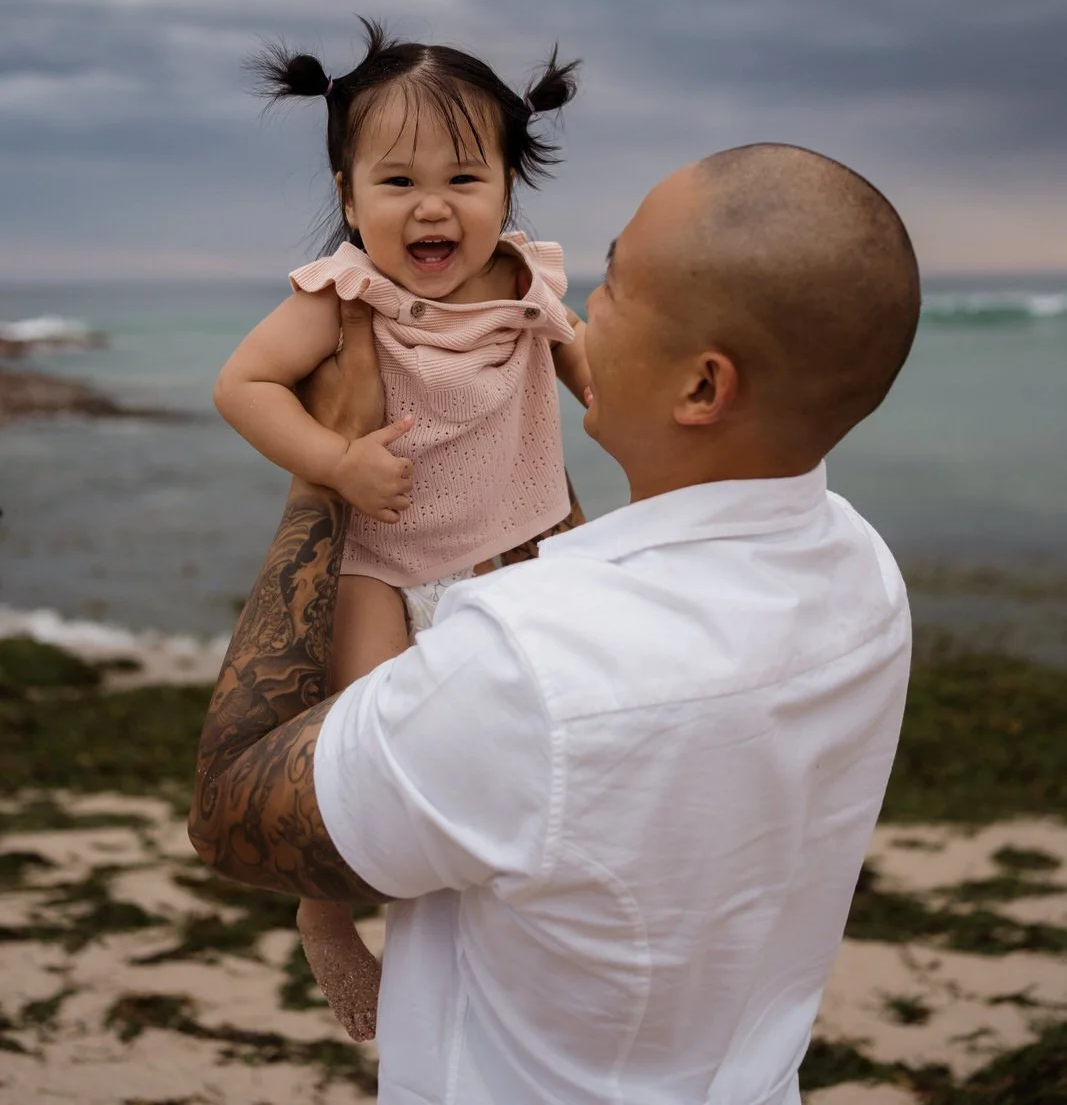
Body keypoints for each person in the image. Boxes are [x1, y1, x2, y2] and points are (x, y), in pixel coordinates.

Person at [190, 142, 920, 1105]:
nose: (579, 312)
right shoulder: (861, 574)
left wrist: (321, 477)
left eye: (615, 283)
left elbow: (233, 809)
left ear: (701, 387)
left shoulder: (528, 671)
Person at [212, 20, 590, 1037]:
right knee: (362, 737)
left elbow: (591, 372)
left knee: (517, 737)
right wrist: (334, 460)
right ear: (347, 198)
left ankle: (495, 900)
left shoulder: (528, 285)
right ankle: (325, 910)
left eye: (465, 177)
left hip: (511, 552)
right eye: (396, 183)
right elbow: (241, 385)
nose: (432, 206)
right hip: (379, 563)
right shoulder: (344, 296)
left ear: (508, 188)